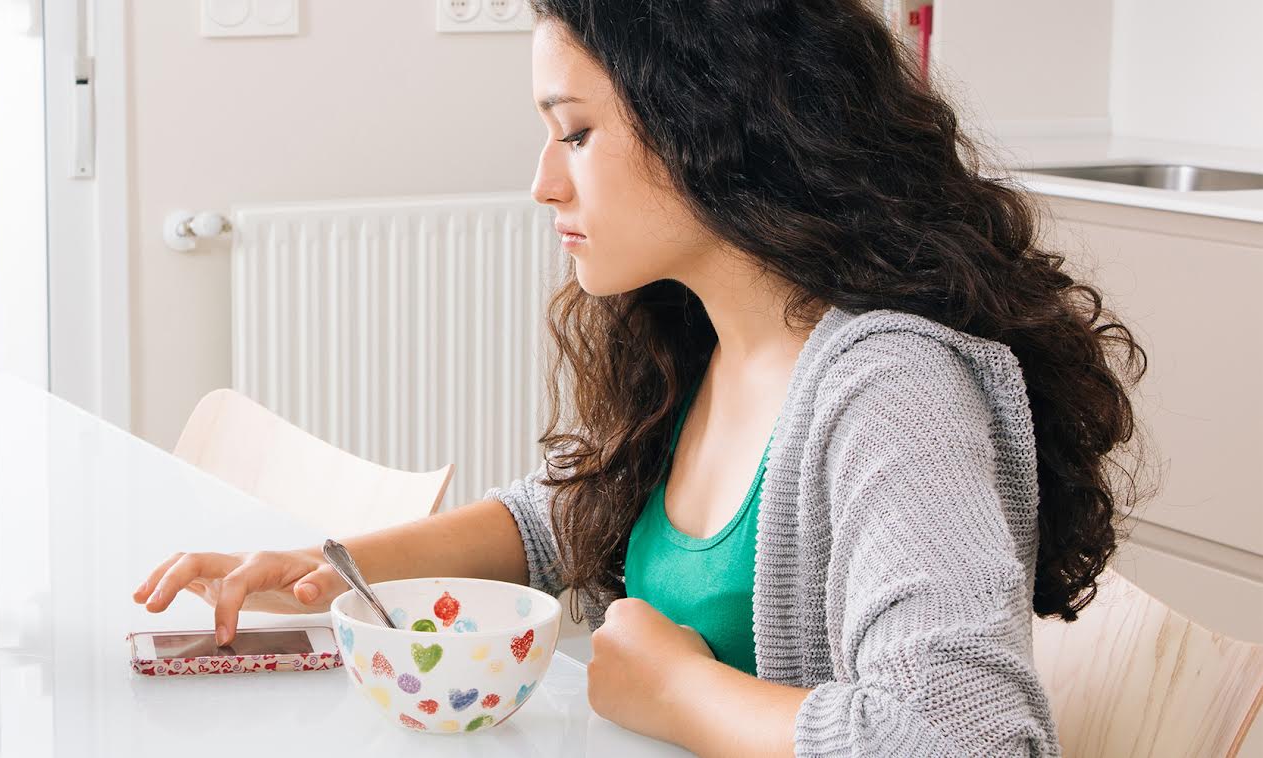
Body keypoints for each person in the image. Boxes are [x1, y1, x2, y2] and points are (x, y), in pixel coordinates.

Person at [134, 1, 1150, 754]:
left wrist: (677, 694)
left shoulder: (895, 390)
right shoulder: (704, 337)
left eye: (575, 132)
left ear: (714, 125)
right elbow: (557, 521)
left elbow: (966, 740)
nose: (543, 182)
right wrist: (330, 570)